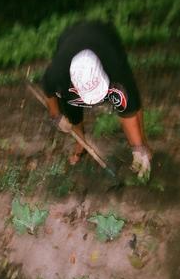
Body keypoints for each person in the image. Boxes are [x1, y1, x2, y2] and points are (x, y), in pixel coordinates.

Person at [41, 20, 152, 181]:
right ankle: (81, 143)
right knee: (70, 104)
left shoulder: (115, 69)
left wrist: (137, 147)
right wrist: (55, 115)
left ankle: (144, 147)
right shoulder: (57, 74)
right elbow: (48, 89)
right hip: (69, 38)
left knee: (131, 98)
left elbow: (128, 110)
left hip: (104, 36)